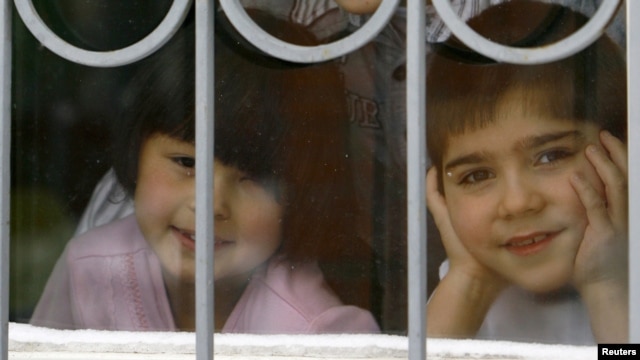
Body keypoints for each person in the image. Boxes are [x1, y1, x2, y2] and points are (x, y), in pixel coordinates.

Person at [30, 12, 380, 334]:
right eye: (187, 163)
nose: (210, 205)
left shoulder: (313, 329)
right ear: (135, 151)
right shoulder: (91, 268)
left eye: (254, 178)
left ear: (302, 194)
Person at [425, 3, 627, 345]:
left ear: (622, 156)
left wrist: (605, 286)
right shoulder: (465, 287)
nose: (518, 204)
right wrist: (470, 281)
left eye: (551, 156)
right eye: (476, 176)